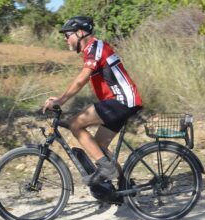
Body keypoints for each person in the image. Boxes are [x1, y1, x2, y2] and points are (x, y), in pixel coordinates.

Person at [43, 16, 142, 186]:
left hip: (122, 101)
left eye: (68, 35)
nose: (65, 39)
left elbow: (82, 79)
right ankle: (125, 186)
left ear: (80, 33)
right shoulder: (93, 49)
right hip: (121, 101)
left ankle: (107, 170)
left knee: (75, 124)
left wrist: (61, 99)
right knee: (99, 146)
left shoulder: (95, 46)